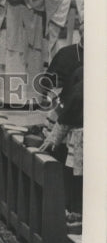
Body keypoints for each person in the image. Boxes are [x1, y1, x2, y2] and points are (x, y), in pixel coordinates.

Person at [38, 32, 84, 217]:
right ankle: (69, 210)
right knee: (69, 173)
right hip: (69, 124)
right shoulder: (66, 55)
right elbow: (52, 91)